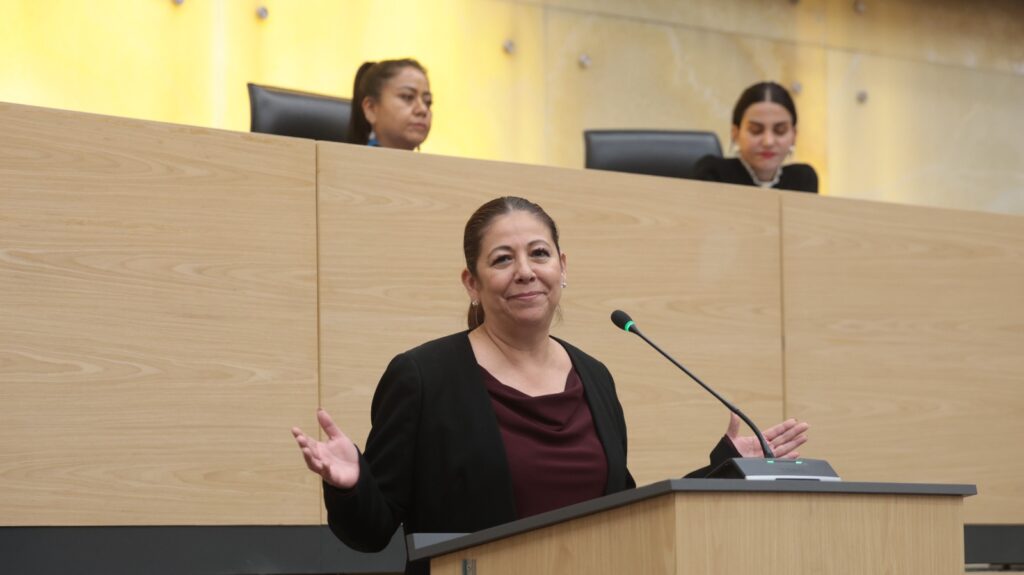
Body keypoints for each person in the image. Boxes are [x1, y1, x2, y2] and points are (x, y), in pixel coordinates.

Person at [292, 196, 810, 574]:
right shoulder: (423, 376)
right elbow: (372, 532)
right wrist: (352, 484)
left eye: (539, 254)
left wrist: (725, 467)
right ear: (472, 283)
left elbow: (622, 514)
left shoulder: (594, 376)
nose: (525, 272)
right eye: (502, 259)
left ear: (563, 268)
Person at [694, 82, 818, 193]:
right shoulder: (712, 172)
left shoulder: (802, 179)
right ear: (735, 133)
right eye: (756, 130)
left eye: (780, 131)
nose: (768, 141)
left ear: (794, 135)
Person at [346, 58, 432, 150]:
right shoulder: (349, 159)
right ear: (371, 108)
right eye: (407, 97)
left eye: (428, 102)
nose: (423, 109)